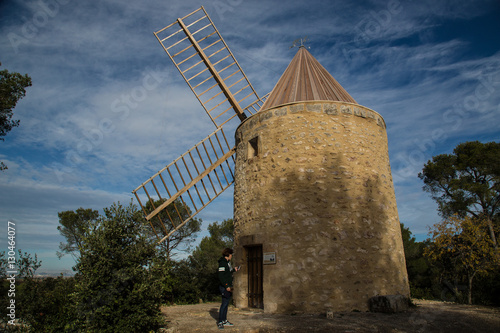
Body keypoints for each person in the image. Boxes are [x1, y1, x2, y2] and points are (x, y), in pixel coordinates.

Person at [217, 247, 239, 329]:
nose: (231, 256)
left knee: (226, 304)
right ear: (228, 254)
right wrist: (226, 286)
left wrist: (234, 269)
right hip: (225, 287)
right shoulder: (222, 263)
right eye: (231, 255)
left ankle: (224, 320)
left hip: (228, 286)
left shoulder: (227, 263)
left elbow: (227, 272)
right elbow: (221, 276)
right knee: (224, 304)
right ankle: (220, 321)